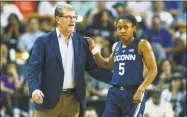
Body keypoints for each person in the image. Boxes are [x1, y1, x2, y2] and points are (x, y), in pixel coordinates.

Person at [27, 4, 112, 117]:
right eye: (68, 17)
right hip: (47, 100)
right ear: (58, 19)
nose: (72, 20)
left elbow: (93, 69)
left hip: (72, 101)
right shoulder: (43, 41)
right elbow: (33, 69)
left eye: (74, 17)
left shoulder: (81, 42)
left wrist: (117, 79)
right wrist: (34, 90)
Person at [85, 14, 158, 117]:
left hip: (133, 90)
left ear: (133, 28)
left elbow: (153, 70)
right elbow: (107, 65)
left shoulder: (142, 44)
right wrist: (93, 49)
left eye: (126, 27)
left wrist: (141, 89)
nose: (122, 30)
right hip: (115, 91)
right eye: (119, 28)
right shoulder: (116, 46)